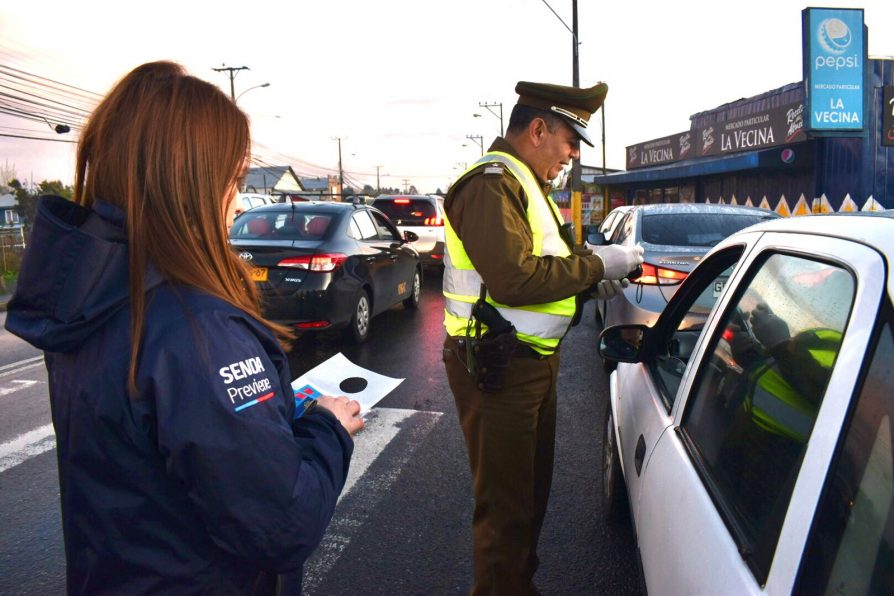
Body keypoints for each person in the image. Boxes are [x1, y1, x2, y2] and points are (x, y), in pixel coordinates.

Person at [4, 61, 364, 595]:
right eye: (233, 180)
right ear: (187, 181)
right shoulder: (196, 329)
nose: (238, 201)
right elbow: (281, 522)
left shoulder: (90, 297)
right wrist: (327, 429)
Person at [441, 80, 644, 594]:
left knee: (527, 502)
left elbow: (544, 271)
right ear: (537, 130)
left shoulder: (525, 184)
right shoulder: (494, 182)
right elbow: (515, 278)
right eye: (570, 142)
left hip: (527, 363)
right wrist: (596, 262)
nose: (573, 156)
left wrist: (592, 284)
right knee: (507, 512)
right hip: (497, 367)